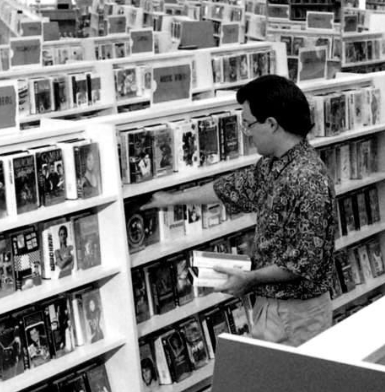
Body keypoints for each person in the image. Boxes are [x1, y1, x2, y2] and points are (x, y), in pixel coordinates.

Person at [144, 75, 337, 347]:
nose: (246, 133)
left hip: (295, 312)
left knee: (285, 388)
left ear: (271, 124)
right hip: (276, 306)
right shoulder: (274, 165)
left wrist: (250, 279)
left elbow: (302, 263)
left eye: (248, 124)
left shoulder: (307, 178)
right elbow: (232, 188)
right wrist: (173, 199)